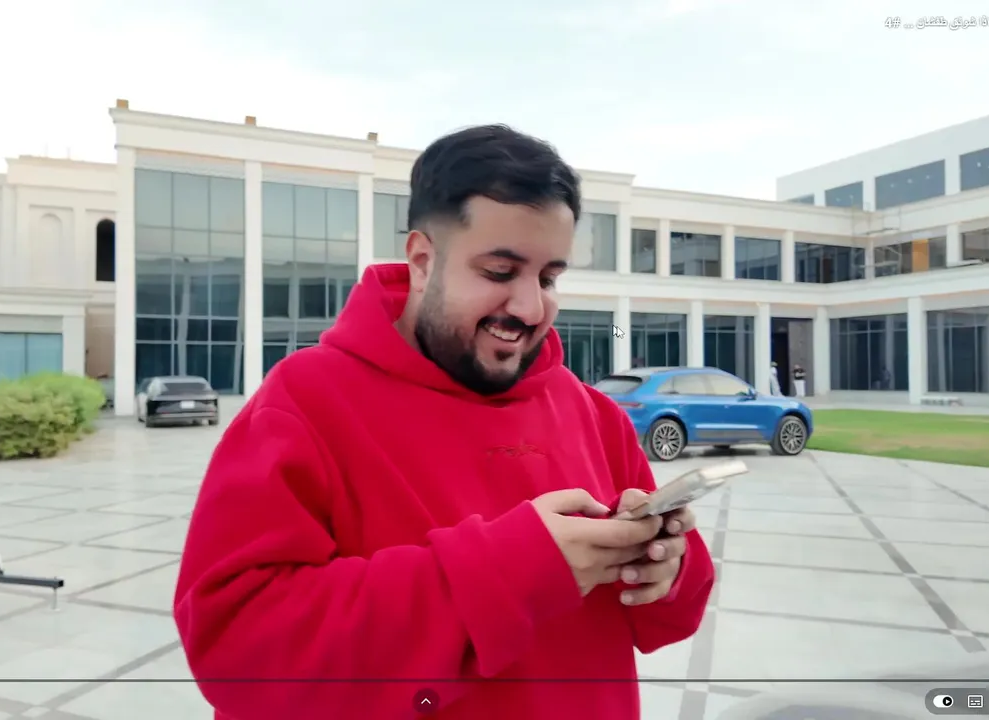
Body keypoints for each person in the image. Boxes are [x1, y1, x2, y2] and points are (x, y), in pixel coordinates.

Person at [173, 124, 714, 720]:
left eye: (548, 278)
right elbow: (235, 650)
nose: (531, 307)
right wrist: (508, 575)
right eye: (500, 272)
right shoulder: (304, 402)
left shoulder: (595, 414)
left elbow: (670, 616)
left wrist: (666, 566)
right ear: (422, 262)